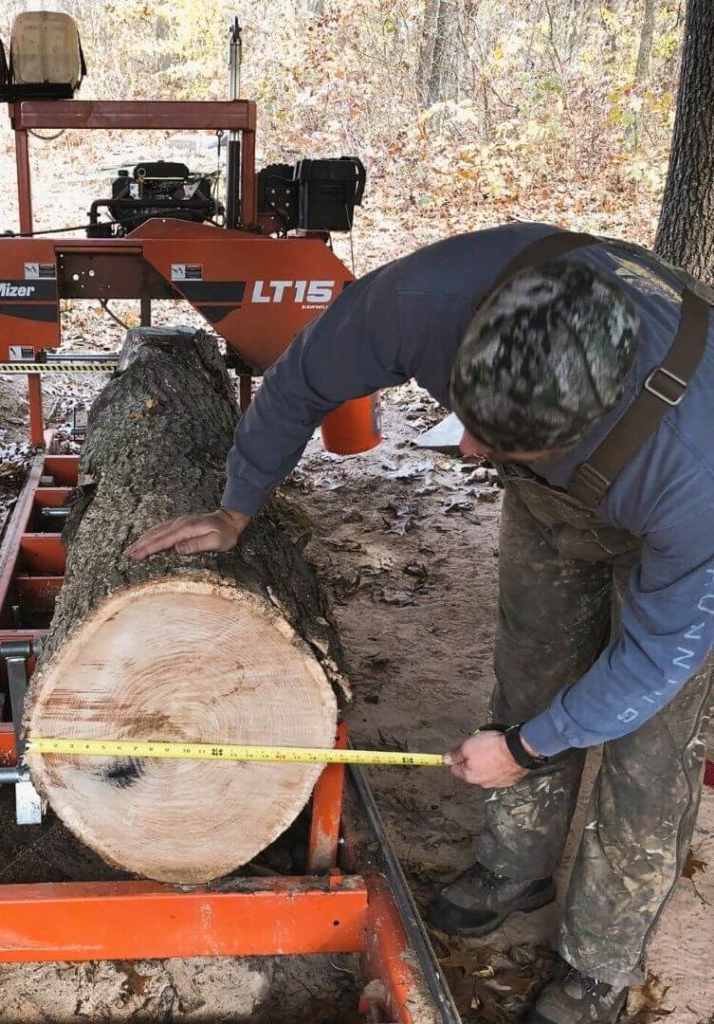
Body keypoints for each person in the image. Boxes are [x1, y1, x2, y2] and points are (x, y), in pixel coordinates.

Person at [123, 222, 714, 1024]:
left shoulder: (697, 466)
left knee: (650, 751)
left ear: (584, 425)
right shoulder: (421, 299)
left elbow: (656, 655)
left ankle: (598, 964)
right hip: (560, 495)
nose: (466, 450)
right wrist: (237, 507)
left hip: (676, 509)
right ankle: (515, 867)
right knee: (531, 667)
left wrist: (535, 746)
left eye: (497, 440)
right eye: (466, 414)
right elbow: (301, 379)